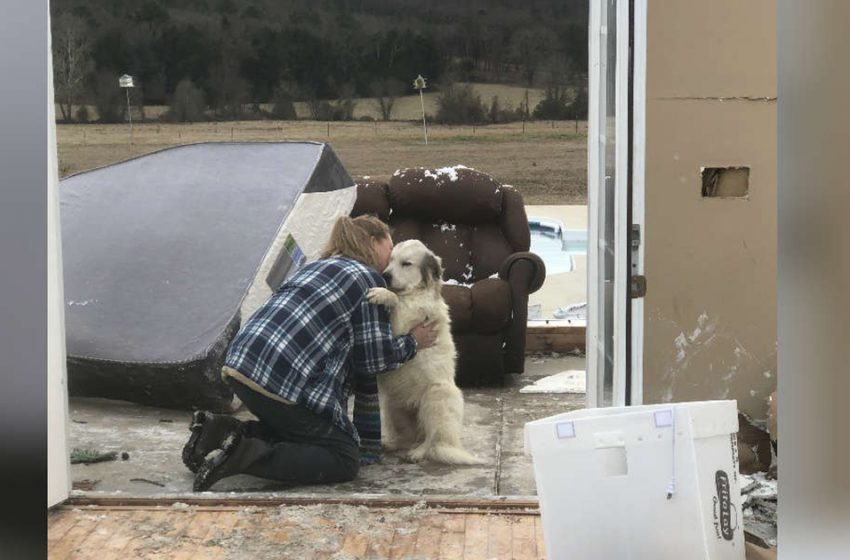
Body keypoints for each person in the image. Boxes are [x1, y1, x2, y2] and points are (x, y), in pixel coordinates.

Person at [182, 215, 437, 491]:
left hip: (241, 364)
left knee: (303, 432)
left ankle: (216, 432)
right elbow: (373, 359)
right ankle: (241, 455)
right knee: (342, 457)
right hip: (279, 379)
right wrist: (413, 341)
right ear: (373, 242)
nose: (389, 265)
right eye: (390, 251)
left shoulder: (317, 267)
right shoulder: (367, 279)